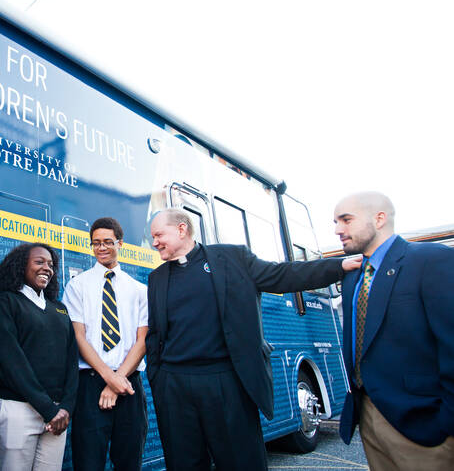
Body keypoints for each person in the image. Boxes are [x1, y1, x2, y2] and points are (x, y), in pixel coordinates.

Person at [145, 208, 359, 470]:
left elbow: (283, 275)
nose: (154, 242)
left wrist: (337, 267)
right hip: (174, 386)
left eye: (158, 235)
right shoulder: (157, 278)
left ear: (181, 229)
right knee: (183, 463)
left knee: (240, 460)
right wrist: (159, 378)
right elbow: (155, 333)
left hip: (226, 382)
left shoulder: (232, 258)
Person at [334, 192, 454, 470]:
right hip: (369, 421)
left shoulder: (431, 261)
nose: (338, 229)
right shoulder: (353, 278)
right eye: (336, 222)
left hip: (427, 429)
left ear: (379, 219)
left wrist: (445, 425)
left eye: (346, 220)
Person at [63, 217, 149, 471]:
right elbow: (78, 336)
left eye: (108, 242)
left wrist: (116, 381)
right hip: (90, 384)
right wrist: (108, 378)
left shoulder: (139, 290)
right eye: (96, 243)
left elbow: (142, 340)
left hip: (129, 384)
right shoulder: (77, 286)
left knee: (129, 460)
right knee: (88, 461)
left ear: (120, 244)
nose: (101, 248)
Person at [0, 243, 79, 471]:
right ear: (21, 267)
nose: (47, 268)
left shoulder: (59, 308)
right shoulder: (8, 302)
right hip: (20, 409)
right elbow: (12, 361)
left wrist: (66, 408)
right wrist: (48, 409)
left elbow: (71, 360)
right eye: (39, 262)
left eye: (50, 264)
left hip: (58, 414)